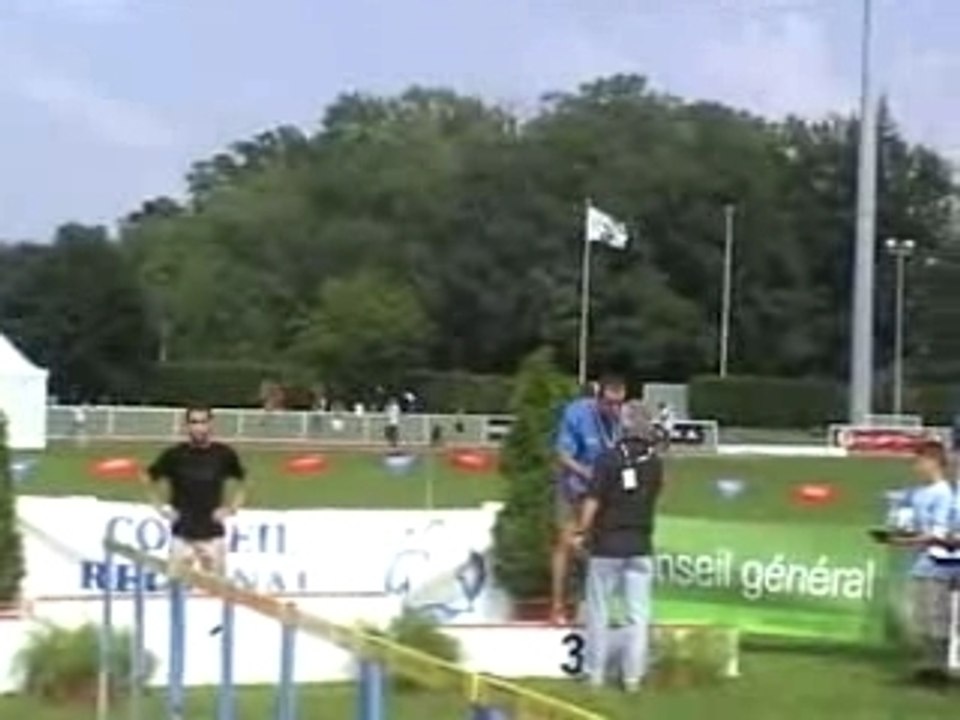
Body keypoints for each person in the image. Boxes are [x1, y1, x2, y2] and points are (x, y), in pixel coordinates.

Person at [571, 401, 663, 691]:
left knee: (598, 611)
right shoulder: (655, 462)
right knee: (638, 615)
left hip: (607, 545)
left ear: (623, 426)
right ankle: (632, 677)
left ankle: (595, 673)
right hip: (640, 544)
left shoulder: (607, 459)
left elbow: (594, 499)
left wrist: (580, 531)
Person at [551, 375, 627, 624]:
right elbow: (563, 455)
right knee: (566, 543)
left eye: (620, 404)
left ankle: (592, 604)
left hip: (604, 491)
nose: (615, 409)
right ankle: (557, 607)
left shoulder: (621, 419)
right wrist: (588, 474)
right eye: (610, 404)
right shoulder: (577, 414)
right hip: (575, 487)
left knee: (600, 549)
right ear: (598, 400)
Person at [143, 405, 247, 576]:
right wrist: (161, 507)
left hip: (213, 537)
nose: (198, 427)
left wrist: (232, 507)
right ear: (187, 426)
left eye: (203, 422)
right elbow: (148, 478)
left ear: (211, 424)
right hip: (182, 537)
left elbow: (245, 480)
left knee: (216, 592)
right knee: (176, 590)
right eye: (194, 422)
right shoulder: (173, 455)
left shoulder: (224, 454)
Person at [890, 440, 958, 683]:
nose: (916, 466)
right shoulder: (919, 492)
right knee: (921, 617)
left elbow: (939, 532)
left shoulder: (944, 493)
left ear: (933, 463)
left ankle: (938, 668)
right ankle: (930, 665)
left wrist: (906, 542)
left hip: (938, 562)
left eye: (919, 461)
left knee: (936, 616)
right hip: (921, 560)